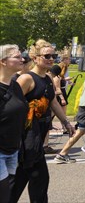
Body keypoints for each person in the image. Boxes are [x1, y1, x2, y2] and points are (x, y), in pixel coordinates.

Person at [12, 40, 75, 203]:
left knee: (29, 178)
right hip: (27, 137)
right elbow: (12, 106)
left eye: (53, 56)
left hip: (39, 133)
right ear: (35, 57)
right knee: (34, 178)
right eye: (47, 56)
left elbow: (53, 101)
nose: (51, 59)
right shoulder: (26, 79)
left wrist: (66, 122)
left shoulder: (47, 78)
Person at [0, 45, 28, 202]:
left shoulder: (15, 85)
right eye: (17, 57)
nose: (22, 59)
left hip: (13, 151)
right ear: (3, 61)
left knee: (9, 195)